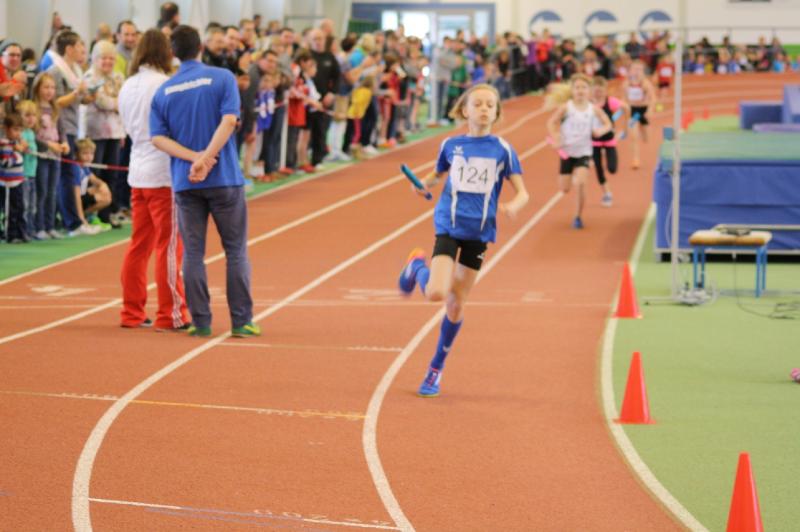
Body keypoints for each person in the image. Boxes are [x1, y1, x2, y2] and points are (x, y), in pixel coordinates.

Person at [396, 84, 529, 397]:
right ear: (465, 110)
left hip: (479, 233)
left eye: (490, 105)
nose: (484, 109)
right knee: (436, 293)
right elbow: (436, 175)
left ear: (496, 113)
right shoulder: (451, 145)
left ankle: (435, 369)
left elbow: (523, 192)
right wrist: (422, 183)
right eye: (478, 104)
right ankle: (417, 267)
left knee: (455, 305)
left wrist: (514, 205)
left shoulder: (503, 149)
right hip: (449, 225)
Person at [150, 25, 260, 338]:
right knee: (235, 250)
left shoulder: (164, 91)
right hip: (224, 178)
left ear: (173, 53)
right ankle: (241, 322)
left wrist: (193, 159)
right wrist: (206, 157)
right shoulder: (223, 77)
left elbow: (157, 138)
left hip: (186, 183)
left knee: (193, 253)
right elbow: (229, 120)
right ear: (200, 47)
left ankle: (201, 321)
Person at [118, 29, 189, 331]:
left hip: (138, 172)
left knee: (139, 244)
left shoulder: (127, 84)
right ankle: (170, 313)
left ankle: (131, 311)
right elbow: (176, 128)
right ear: (166, 52)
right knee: (169, 246)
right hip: (162, 173)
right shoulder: (165, 84)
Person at [546, 74, 612, 229]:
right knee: (565, 188)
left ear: (589, 90)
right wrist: (556, 137)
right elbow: (551, 122)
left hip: (584, 152)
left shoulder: (593, 109)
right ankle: (572, 178)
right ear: (572, 90)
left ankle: (577, 217)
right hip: (567, 152)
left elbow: (608, 123)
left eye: (584, 87)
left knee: (581, 183)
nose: (580, 90)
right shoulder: (566, 107)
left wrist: (600, 131)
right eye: (577, 87)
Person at [84, 40, 126, 228]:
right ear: (95, 59)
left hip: (115, 132)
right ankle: (91, 211)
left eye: (111, 58)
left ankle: (107, 212)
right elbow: (102, 102)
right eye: (104, 58)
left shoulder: (117, 76)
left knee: (113, 174)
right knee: (95, 173)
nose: (108, 62)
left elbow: (124, 100)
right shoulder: (90, 77)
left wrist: (116, 104)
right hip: (95, 132)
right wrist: (116, 103)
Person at [31, 72, 69, 240]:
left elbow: (62, 130)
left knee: (53, 191)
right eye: (46, 87)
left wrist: (65, 143)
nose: (49, 91)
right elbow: (32, 134)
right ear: (37, 88)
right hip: (41, 155)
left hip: (55, 156)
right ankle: (38, 227)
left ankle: (50, 225)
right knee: (42, 191)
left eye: (52, 87)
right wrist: (48, 145)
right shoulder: (33, 108)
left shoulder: (55, 108)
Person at [590, 76, 630, 207]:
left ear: (605, 91)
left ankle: (606, 155)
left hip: (609, 140)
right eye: (595, 91)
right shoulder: (588, 104)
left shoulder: (610, 101)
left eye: (600, 91)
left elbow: (626, 108)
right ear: (591, 90)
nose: (598, 94)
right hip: (594, 142)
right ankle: (607, 193)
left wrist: (625, 128)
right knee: (598, 169)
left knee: (612, 169)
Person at [70, 138, 110, 236]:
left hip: (81, 196)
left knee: (102, 191)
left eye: (91, 154)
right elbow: (76, 195)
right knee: (102, 197)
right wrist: (81, 219)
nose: (89, 157)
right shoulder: (75, 168)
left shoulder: (85, 166)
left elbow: (96, 180)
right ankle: (81, 218)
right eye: (85, 153)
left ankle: (87, 216)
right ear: (77, 154)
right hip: (74, 199)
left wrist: (103, 185)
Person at [621, 60, 656, 169]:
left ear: (643, 71)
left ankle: (641, 127)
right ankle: (635, 159)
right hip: (633, 112)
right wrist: (624, 107)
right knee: (634, 137)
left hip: (643, 111)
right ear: (630, 70)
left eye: (639, 69)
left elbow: (653, 98)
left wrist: (650, 110)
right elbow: (623, 99)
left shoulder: (646, 84)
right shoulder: (626, 84)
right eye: (634, 69)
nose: (636, 71)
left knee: (646, 138)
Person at [1, 113, 27, 242]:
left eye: (20, 130)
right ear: (6, 129)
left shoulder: (14, 143)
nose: (18, 133)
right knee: (9, 209)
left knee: (20, 207)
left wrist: (19, 148)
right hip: (8, 183)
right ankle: (9, 234)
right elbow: (6, 163)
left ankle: (20, 232)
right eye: (15, 129)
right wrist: (16, 153)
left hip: (18, 181)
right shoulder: (5, 145)